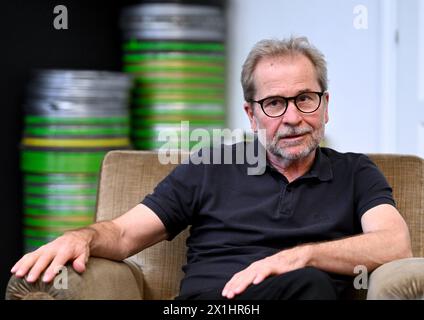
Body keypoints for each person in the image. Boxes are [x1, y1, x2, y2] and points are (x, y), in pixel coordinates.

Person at [11, 36, 412, 300]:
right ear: (251, 115)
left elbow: (394, 245)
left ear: (325, 105)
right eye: (274, 103)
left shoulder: (356, 173)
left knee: (310, 284)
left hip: (307, 294)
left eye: (305, 98)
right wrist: (82, 236)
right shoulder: (212, 164)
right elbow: (124, 234)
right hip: (213, 306)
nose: (292, 117)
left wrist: (300, 256)